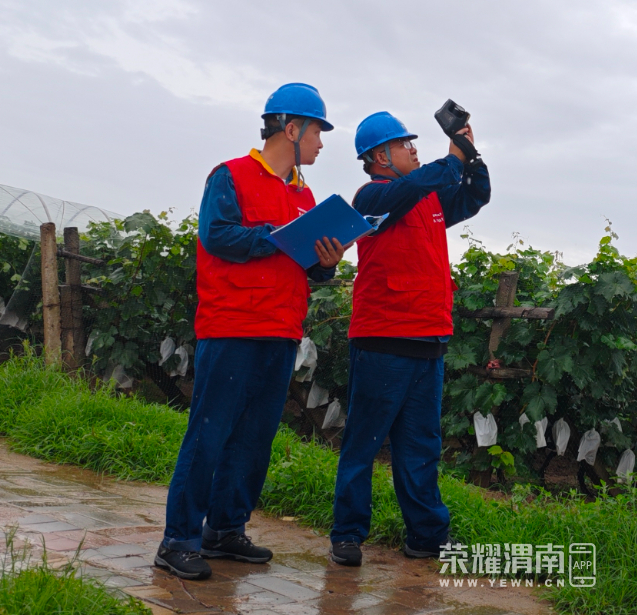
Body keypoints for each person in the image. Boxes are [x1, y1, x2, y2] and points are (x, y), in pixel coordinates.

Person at [156, 83, 344, 580]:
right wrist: (276, 237)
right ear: (292, 129)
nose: (321, 143)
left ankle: (224, 530)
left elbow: (308, 265)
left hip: (281, 330)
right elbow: (216, 236)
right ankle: (178, 540)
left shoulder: (305, 195)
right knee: (210, 433)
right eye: (317, 132)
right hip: (232, 325)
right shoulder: (230, 175)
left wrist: (327, 261)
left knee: (255, 437)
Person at [330, 111, 491, 566]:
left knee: (421, 445)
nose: (414, 150)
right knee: (364, 442)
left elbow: (475, 196)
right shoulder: (372, 197)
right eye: (405, 144)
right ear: (380, 156)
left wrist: (470, 155)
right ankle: (347, 534)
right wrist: (451, 159)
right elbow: (410, 189)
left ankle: (426, 536)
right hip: (383, 339)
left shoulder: (429, 200)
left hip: (428, 338)